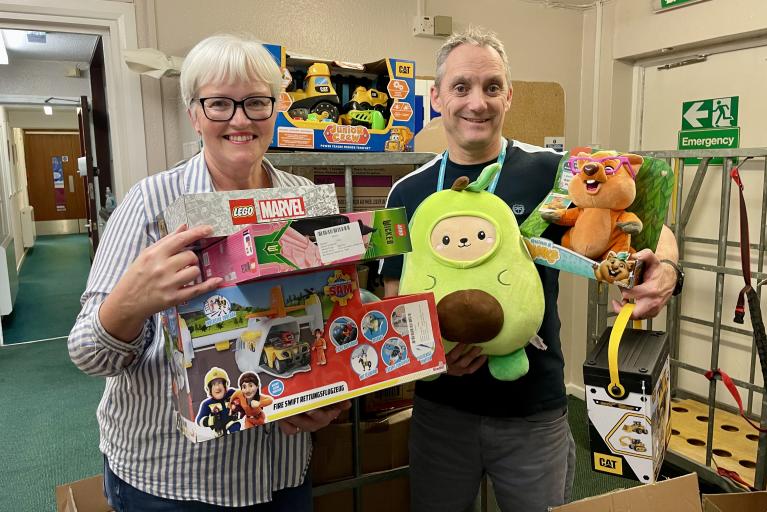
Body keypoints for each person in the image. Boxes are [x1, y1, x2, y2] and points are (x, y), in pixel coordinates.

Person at [380, 27, 680, 512]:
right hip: (441, 411)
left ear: (509, 95)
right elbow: (395, 295)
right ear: (436, 96)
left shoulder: (554, 171)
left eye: (492, 87)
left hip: (532, 409)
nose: (477, 102)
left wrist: (664, 266)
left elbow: (643, 223)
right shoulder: (406, 194)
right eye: (461, 87)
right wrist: (428, 357)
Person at [68, 33, 348, 511]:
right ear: (194, 114)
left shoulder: (306, 199)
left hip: (281, 472)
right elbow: (89, 355)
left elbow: (332, 318)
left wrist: (331, 392)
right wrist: (131, 303)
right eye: (219, 103)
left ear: (276, 109)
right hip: (173, 482)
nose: (240, 119)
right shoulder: (150, 204)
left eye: (256, 102)